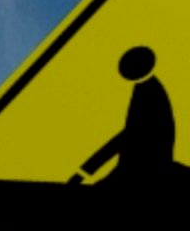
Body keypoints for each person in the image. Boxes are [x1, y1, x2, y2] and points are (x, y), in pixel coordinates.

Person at [71, 46, 175, 189]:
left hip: (142, 167)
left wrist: (86, 170)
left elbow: (129, 135)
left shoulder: (149, 93)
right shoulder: (144, 89)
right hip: (139, 164)